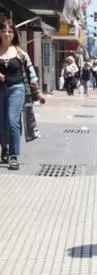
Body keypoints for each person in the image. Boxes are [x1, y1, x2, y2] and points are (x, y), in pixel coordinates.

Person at [0, 17, 45, 170]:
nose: (7, 34)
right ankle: (4, 147)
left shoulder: (20, 52)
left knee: (13, 121)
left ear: (14, 34)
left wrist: (38, 93)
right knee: (1, 122)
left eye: (10, 31)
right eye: (4, 31)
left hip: (16, 89)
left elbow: (31, 73)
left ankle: (14, 156)